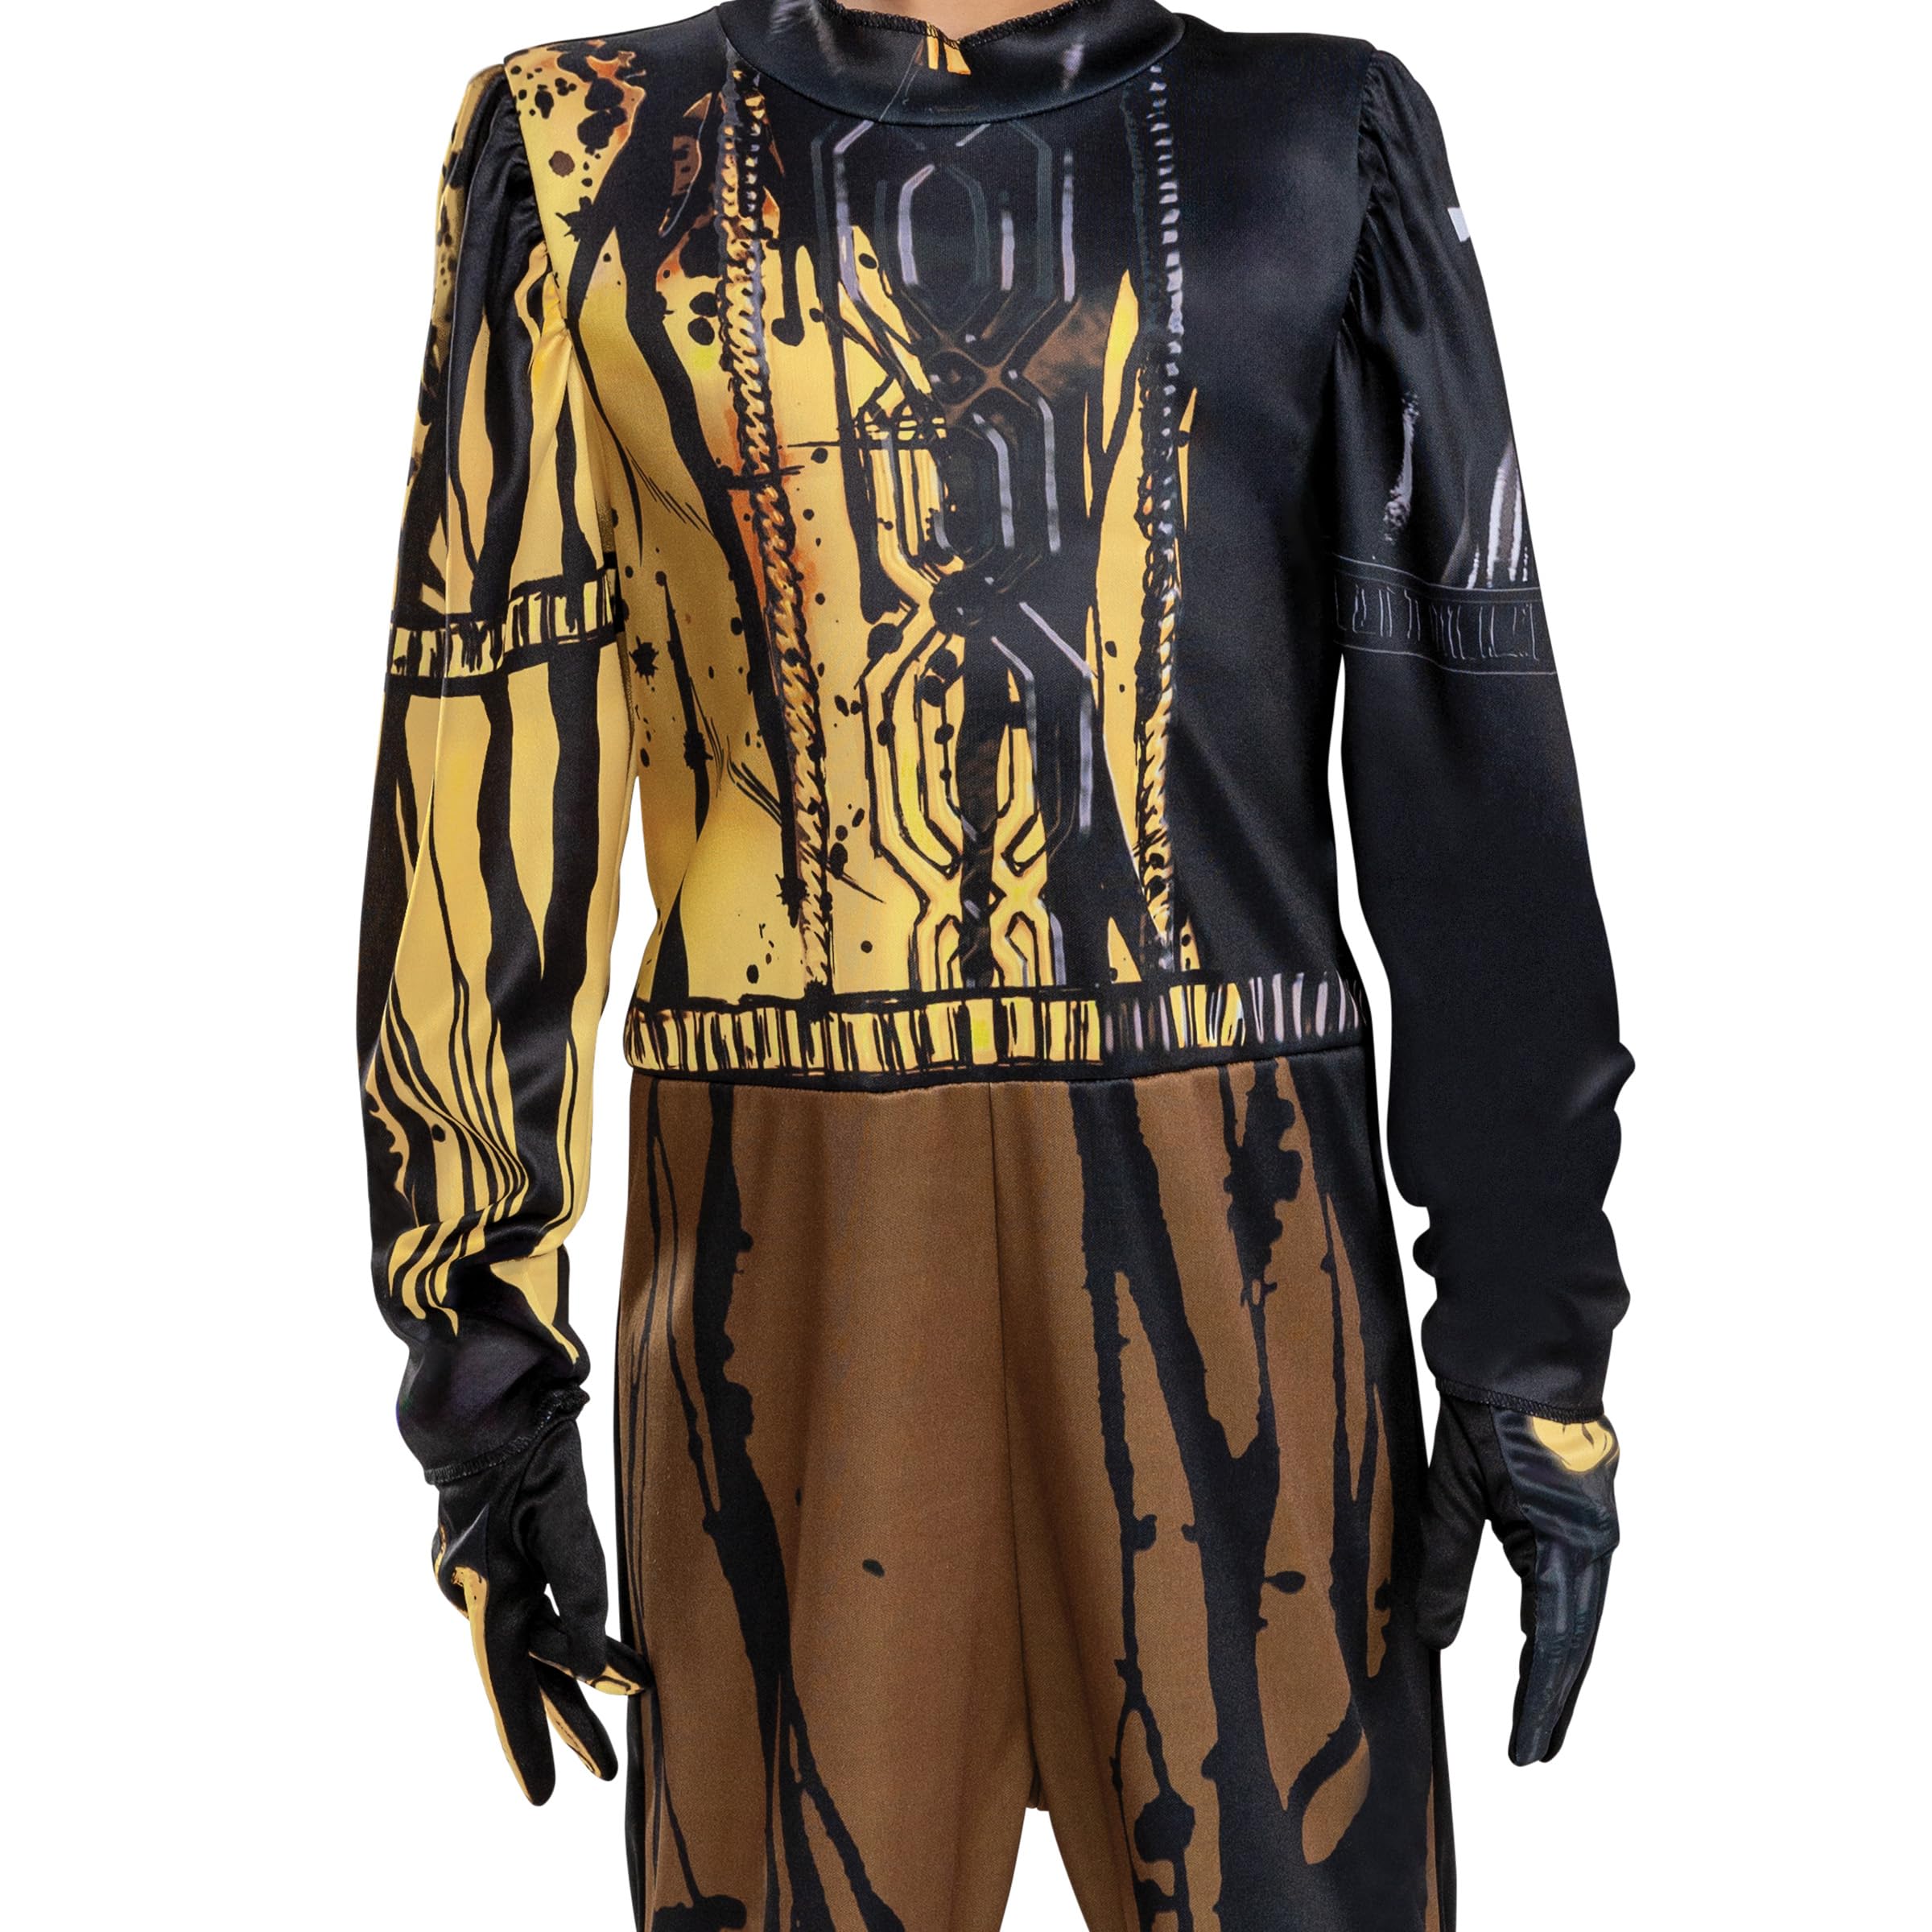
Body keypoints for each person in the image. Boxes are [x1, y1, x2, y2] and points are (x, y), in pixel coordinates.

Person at [356, 2, 1631, 1924]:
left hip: (1219, 1240)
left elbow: (1467, 745)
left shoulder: (1321, 142)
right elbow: (483, 745)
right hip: (814, 1257)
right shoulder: (581, 149)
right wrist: (481, 1366)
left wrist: (1533, 1346)